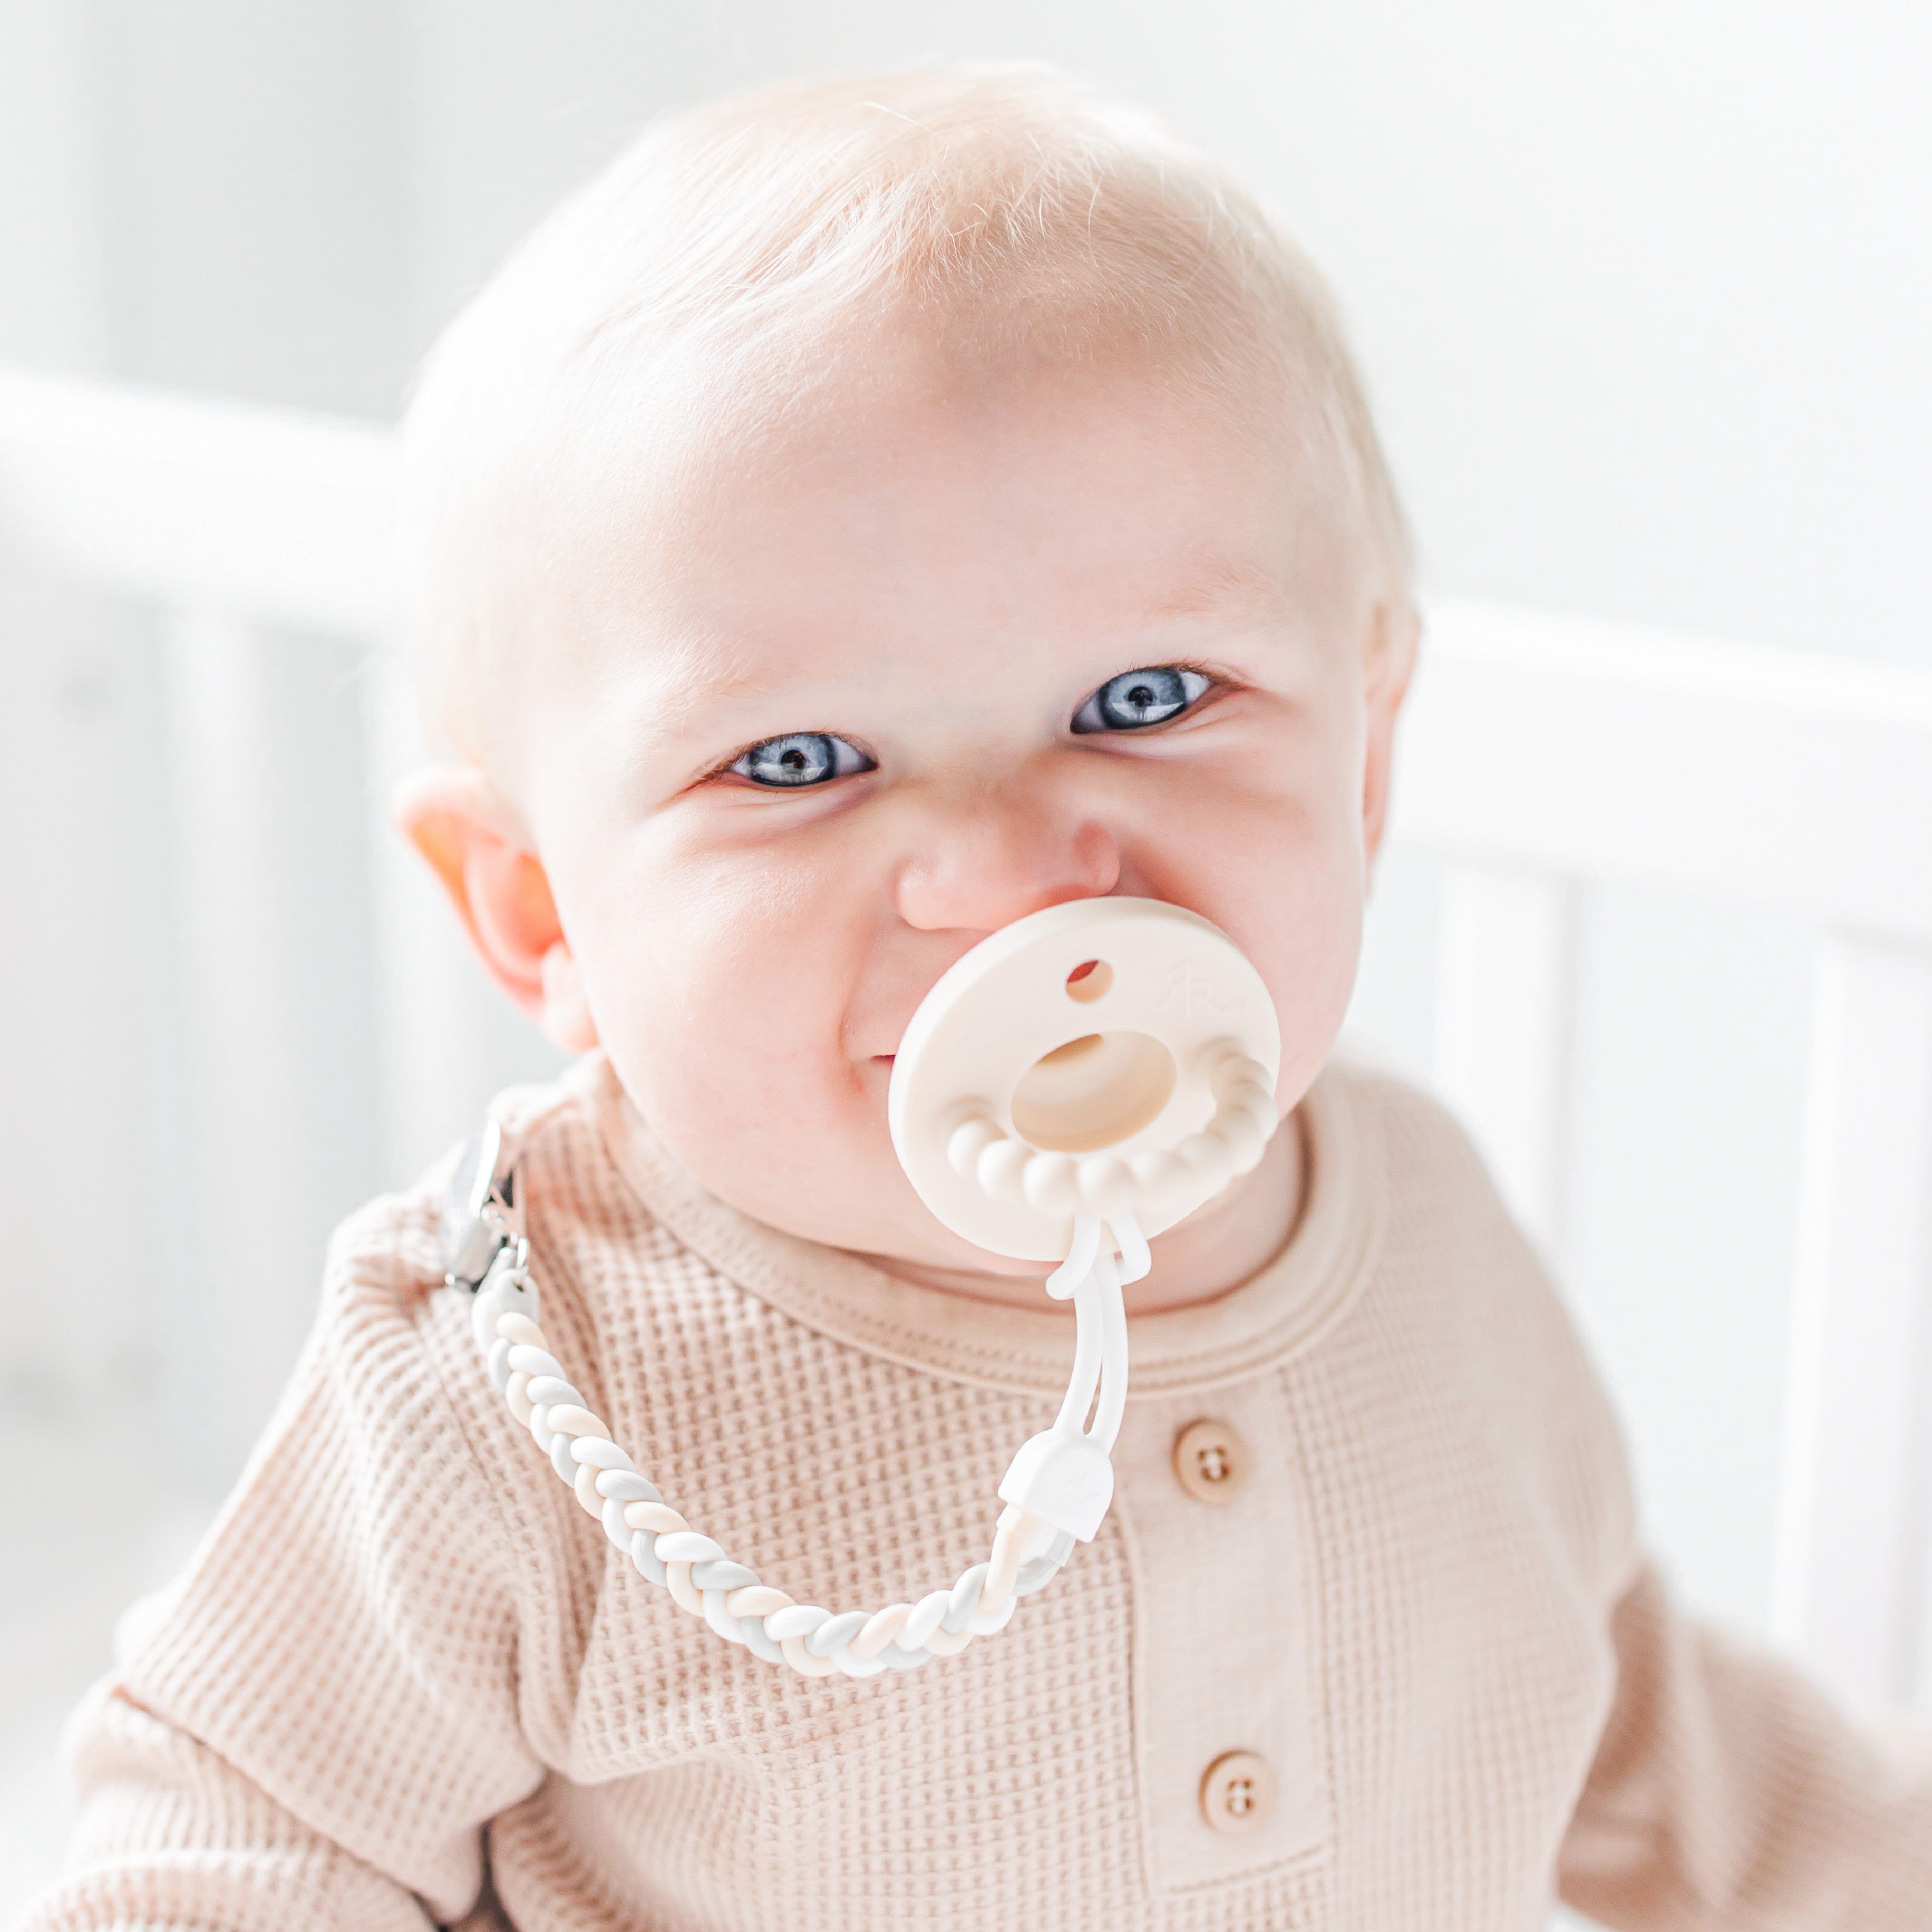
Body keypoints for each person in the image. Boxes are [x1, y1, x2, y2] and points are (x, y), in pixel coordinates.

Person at [25, 65, 1930, 1932]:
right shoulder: (514, 1362)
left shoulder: (1421, 1218)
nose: (1017, 877)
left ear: (1363, 761)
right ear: (541, 916)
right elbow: (225, 1844)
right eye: (797, 762)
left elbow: (1617, 1718)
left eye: (1144, 700)